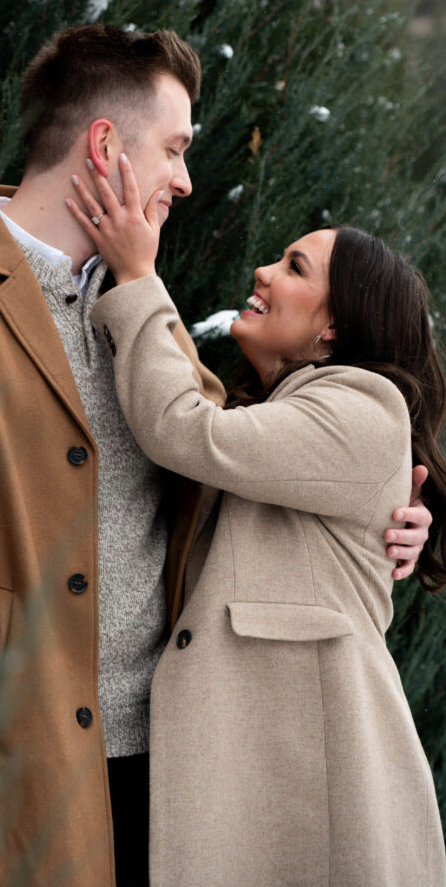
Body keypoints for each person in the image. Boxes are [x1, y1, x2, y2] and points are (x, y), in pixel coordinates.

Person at [0, 24, 430, 887]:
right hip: (10, 774)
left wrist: (385, 526)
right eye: (175, 149)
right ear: (105, 146)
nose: (184, 178)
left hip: (180, 780)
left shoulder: (142, 313)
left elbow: (234, 473)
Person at [66, 154, 446, 886]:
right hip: (254, 775)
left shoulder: (366, 409)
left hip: (312, 787)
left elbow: (182, 428)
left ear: (335, 329)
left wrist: (137, 277)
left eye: (295, 267)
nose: (264, 272)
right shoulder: (282, 418)